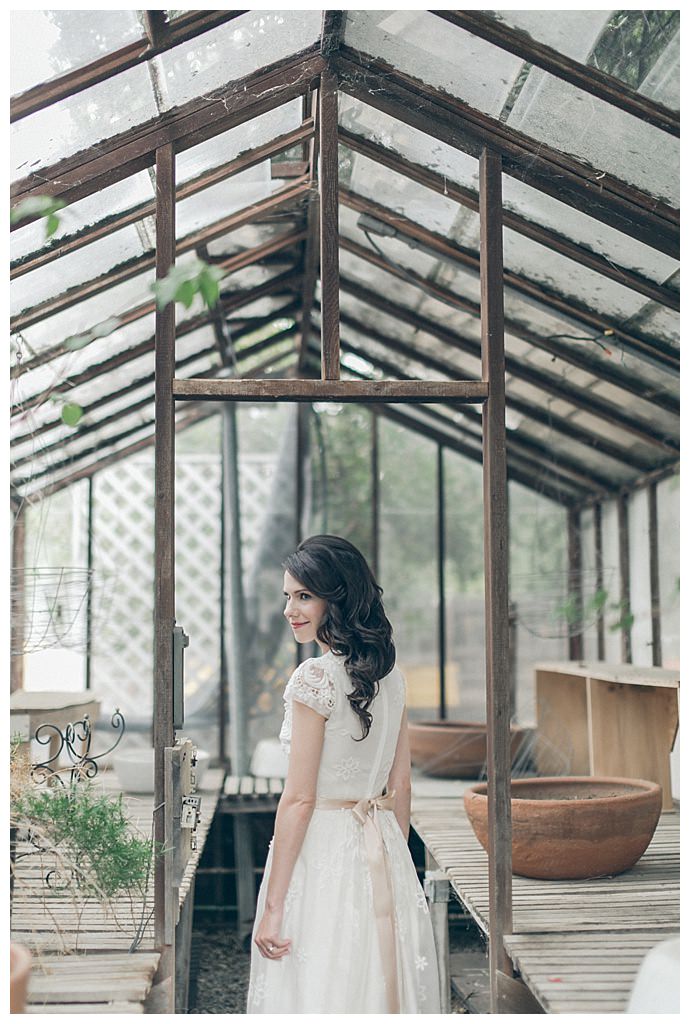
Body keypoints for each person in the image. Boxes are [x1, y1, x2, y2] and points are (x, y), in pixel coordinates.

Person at [247, 535, 441, 1014]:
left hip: (324, 850)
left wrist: (273, 907)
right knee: (374, 977)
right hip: (383, 845)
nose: (291, 609)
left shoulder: (314, 679)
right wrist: (399, 869)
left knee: (322, 981)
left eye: (304, 596)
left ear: (339, 598)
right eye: (287, 596)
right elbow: (402, 786)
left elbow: (299, 799)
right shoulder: (390, 677)